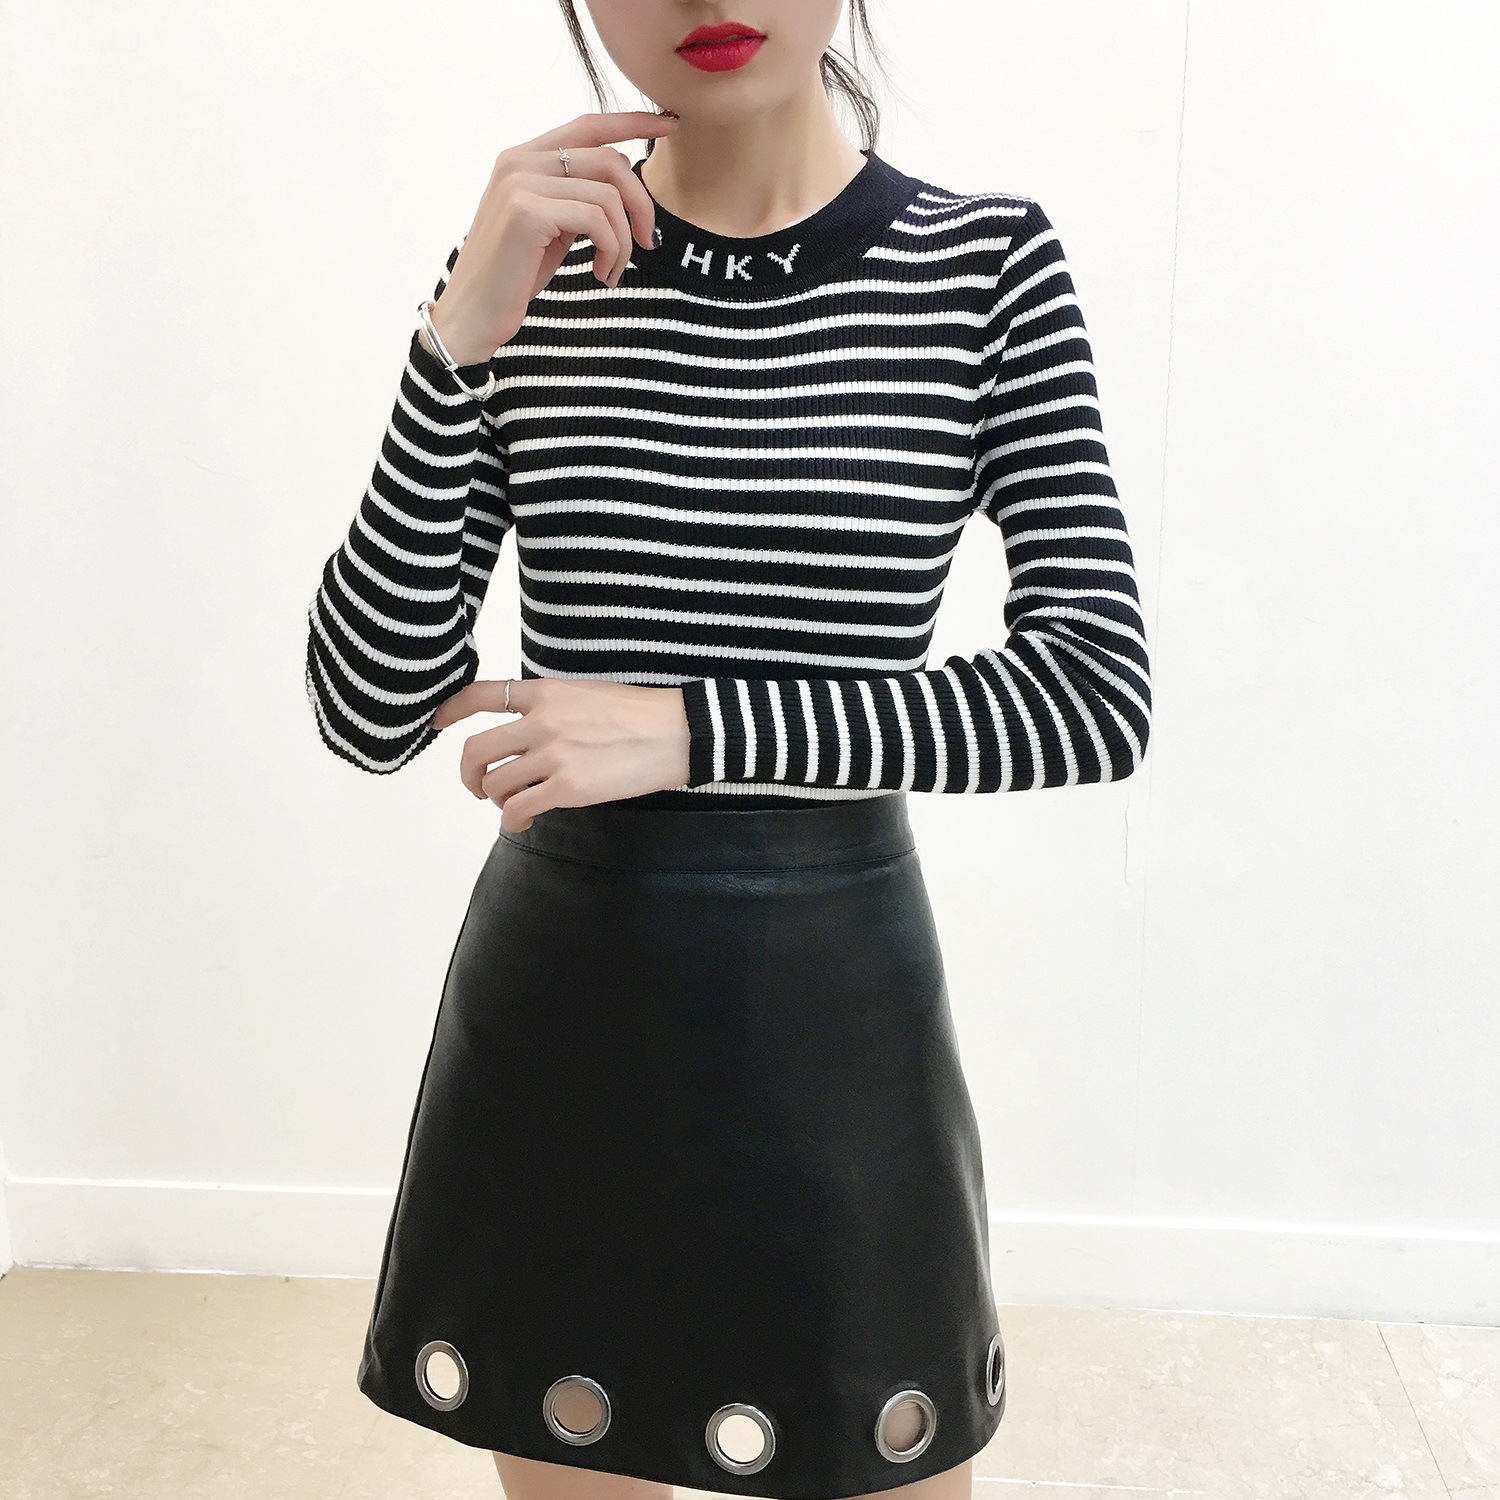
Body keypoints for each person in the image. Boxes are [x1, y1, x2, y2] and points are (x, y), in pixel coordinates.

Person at [303, 3, 1151, 1498]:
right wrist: (452, 347)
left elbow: (1091, 691)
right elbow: (370, 705)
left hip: (837, 1029)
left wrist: (690, 727)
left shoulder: (982, 264)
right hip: (567, 1019)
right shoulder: (527, 270)